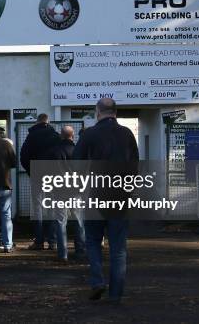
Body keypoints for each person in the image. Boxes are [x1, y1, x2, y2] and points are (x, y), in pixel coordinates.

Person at [73, 98, 139, 303]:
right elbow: (135, 166)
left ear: (98, 112)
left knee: (92, 241)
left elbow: (76, 165)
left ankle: (97, 281)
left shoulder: (89, 134)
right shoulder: (127, 134)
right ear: (115, 113)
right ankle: (116, 294)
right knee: (118, 247)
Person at [20, 113, 61, 250]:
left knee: (37, 208)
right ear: (47, 122)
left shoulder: (31, 136)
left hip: (37, 175)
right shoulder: (55, 136)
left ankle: (39, 241)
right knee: (52, 207)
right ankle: (53, 241)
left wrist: (31, 171)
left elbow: (24, 156)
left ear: (37, 122)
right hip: (53, 176)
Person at [47, 125, 86, 263]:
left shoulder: (54, 152)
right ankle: (80, 250)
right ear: (73, 135)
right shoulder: (78, 151)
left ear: (61, 136)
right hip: (76, 190)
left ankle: (63, 253)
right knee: (79, 221)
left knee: (60, 221)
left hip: (59, 190)